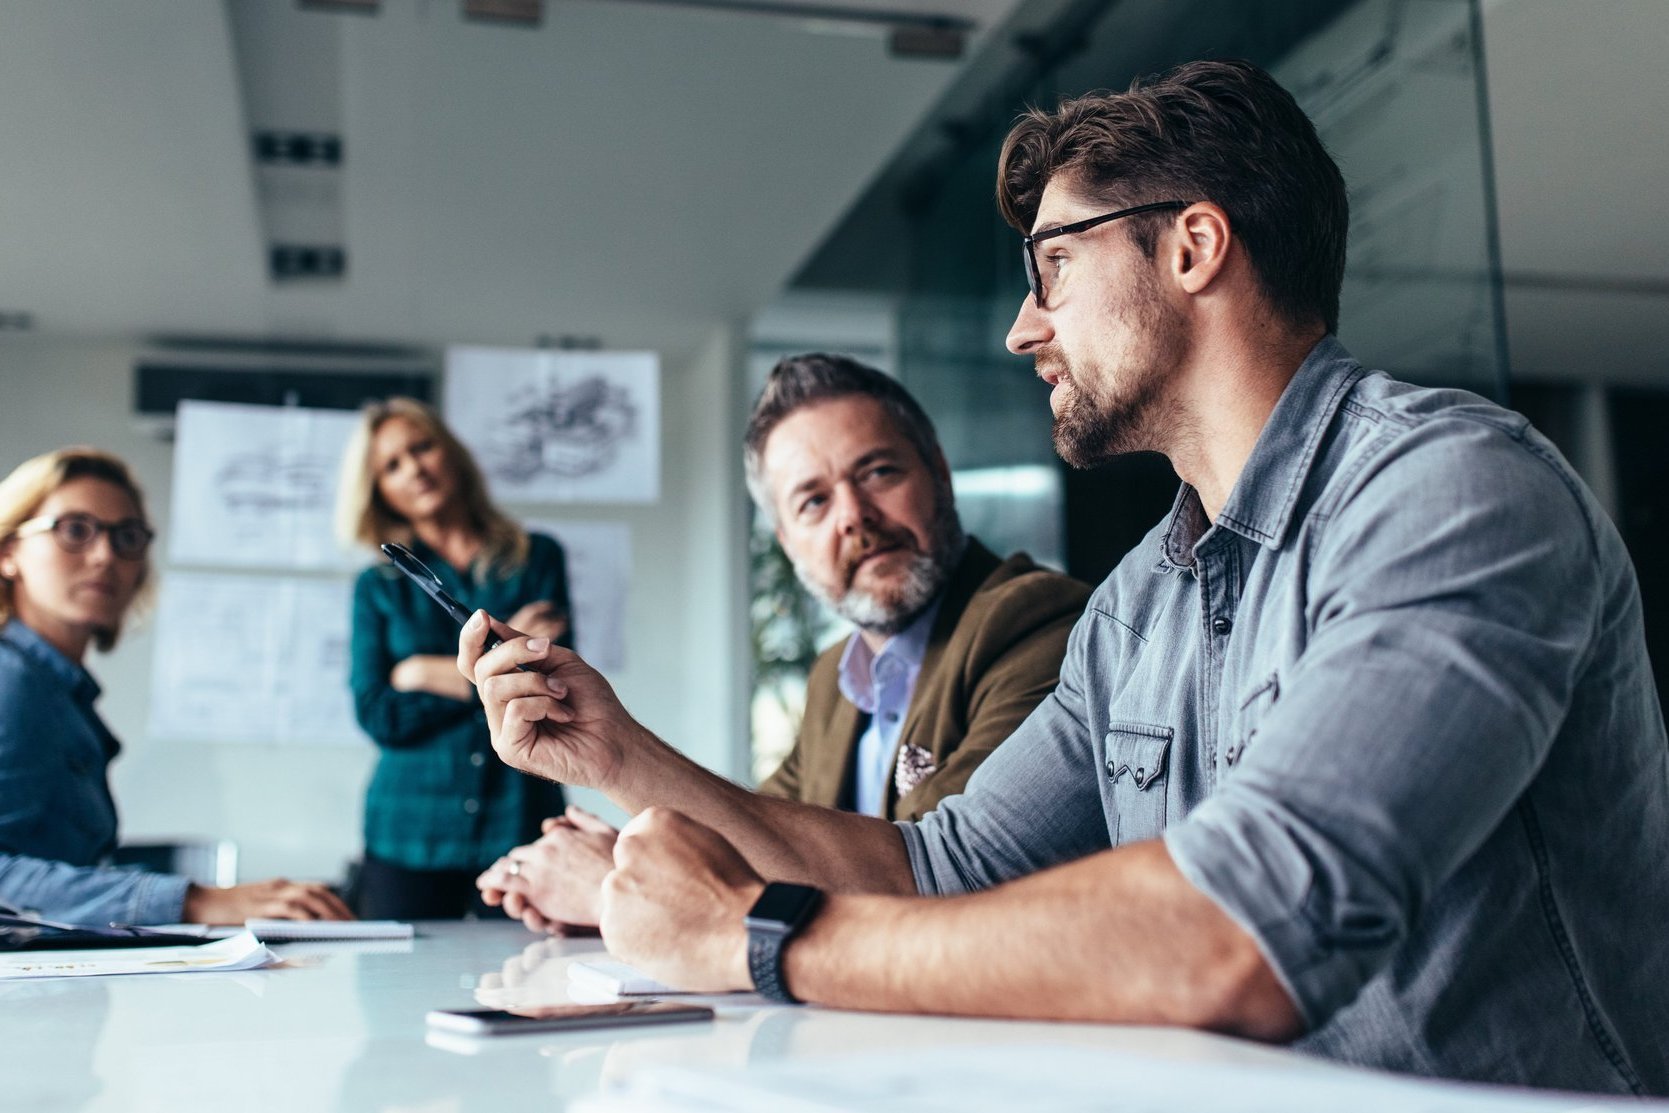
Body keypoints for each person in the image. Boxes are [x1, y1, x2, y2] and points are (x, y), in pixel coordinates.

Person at [461, 59, 1669, 1096]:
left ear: (1193, 246)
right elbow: (935, 870)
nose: (1021, 329)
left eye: (1051, 267)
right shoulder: (1143, 597)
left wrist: (758, 938)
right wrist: (614, 754)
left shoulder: (1451, 493)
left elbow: (1241, 933)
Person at [474, 355, 1090, 932]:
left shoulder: (1036, 622)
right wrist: (634, 849)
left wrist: (616, 883)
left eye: (877, 472)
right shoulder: (835, 678)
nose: (853, 515)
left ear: (938, 471)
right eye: (814, 501)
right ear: (787, 540)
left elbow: (931, 883)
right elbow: (758, 840)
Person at [0, 447, 352, 925]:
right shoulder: (11, 682)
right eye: (74, 530)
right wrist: (195, 900)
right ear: (8, 551)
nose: (105, 555)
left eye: (126, 537)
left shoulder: (58, 690)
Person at [338, 397, 572, 920]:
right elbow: (378, 712)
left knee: (528, 983)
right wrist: (495, 671)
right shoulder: (378, 588)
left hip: (518, 820)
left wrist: (419, 673)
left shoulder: (537, 559)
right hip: (408, 832)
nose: (414, 469)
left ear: (451, 453)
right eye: (392, 465)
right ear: (379, 490)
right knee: (397, 995)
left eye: (422, 448)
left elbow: (548, 685)